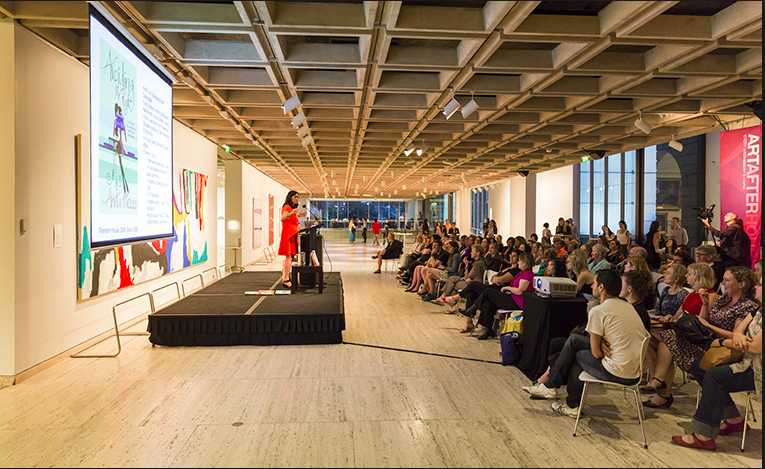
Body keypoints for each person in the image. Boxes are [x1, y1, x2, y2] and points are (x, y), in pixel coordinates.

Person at [525, 269, 649, 418]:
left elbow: (596, 353)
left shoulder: (599, 311)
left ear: (601, 287)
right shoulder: (627, 306)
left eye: (594, 283)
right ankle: (558, 392)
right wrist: (600, 342)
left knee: (576, 354)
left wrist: (598, 344)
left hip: (617, 372)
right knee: (575, 342)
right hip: (634, 371)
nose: (591, 286)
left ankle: (564, 398)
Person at [645, 266, 759, 408]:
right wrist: (705, 304)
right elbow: (704, 320)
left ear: (741, 284)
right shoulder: (725, 299)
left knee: (667, 340)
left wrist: (709, 326)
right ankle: (659, 384)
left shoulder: (746, 306)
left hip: (722, 347)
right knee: (664, 340)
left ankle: (660, 387)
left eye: (727, 280)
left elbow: (735, 336)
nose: (722, 283)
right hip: (707, 339)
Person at [671, 279, 761, 451]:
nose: (756, 286)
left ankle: (703, 436)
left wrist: (722, 342)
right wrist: (737, 337)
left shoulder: (749, 306)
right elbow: (738, 332)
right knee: (700, 366)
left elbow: (756, 347)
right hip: (747, 359)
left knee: (714, 376)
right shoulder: (758, 310)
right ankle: (734, 420)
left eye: (761, 285)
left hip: (758, 369)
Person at [466, 252, 536, 340]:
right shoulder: (522, 273)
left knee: (488, 291)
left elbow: (520, 291)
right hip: (513, 298)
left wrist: (507, 288)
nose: (518, 262)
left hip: (518, 302)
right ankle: (487, 330)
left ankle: (473, 308)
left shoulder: (528, 274)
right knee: (488, 302)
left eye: (520, 261)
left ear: (525, 263)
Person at [278, 190, 305, 288]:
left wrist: (297, 215)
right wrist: (292, 213)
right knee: (288, 257)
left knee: (291, 257)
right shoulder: (287, 207)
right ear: (290, 197)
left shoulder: (291, 208)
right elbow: (283, 218)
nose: (297, 199)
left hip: (292, 234)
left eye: (298, 197)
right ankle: (285, 279)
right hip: (288, 235)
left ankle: (286, 277)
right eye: (295, 197)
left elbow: (290, 220)